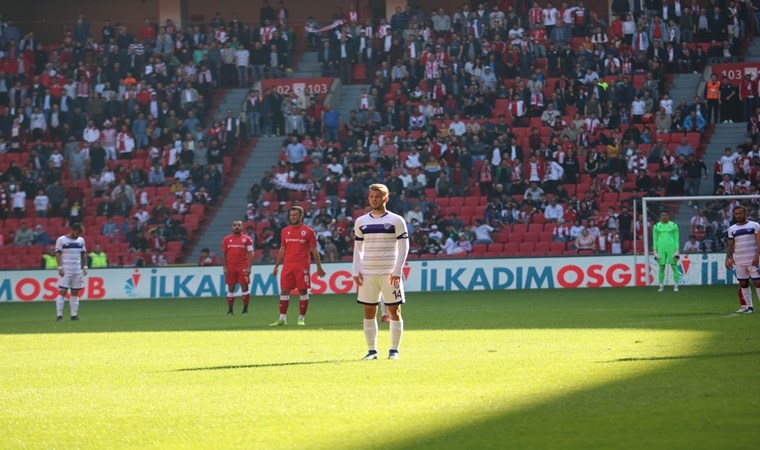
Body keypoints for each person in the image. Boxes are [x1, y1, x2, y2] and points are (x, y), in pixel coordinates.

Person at [352, 184, 409, 360]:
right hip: (368, 272)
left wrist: (398, 269)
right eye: (371, 196)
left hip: (389, 272)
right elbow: (358, 247)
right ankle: (372, 351)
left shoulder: (396, 220)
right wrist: (356, 269)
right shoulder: (361, 221)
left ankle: (394, 350)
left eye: (377, 196)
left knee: (394, 311)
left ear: (386, 198)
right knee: (369, 312)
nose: (374, 199)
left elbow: (404, 246)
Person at [270, 206, 326, 326]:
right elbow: (282, 249)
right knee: (284, 290)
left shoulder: (309, 231)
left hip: (302, 266)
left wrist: (319, 267)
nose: (292, 217)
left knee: (302, 290)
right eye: (291, 215)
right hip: (287, 266)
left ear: (301, 216)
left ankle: (301, 318)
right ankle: (282, 319)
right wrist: (276, 266)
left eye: (295, 215)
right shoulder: (285, 231)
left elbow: (314, 250)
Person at [725, 206, 760, 314]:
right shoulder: (732, 229)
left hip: (753, 259)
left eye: (740, 213)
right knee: (743, 283)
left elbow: (759, 242)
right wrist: (728, 258)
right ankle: (749, 307)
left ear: (745, 213)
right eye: (736, 214)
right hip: (739, 260)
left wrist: (757, 255)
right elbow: (730, 245)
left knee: (758, 283)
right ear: (734, 215)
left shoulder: (755, 226)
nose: (738, 215)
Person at [55, 223, 88, 321]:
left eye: (79, 233)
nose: (78, 235)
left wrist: (85, 266)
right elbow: (57, 254)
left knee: (75, 292)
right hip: (66, 270)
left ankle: (74, 315)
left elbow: (83, 254)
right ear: (72, 230)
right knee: (62, 291)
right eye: (77, 233)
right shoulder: (61, 240)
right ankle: (59, 315)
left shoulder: (81, 240)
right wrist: (60, 267)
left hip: (77, 270)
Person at [221, 221, 255, 315]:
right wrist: (225, 267)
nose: (236, 227)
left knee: (244, 288)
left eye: (239, 225)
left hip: (243, 267)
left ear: (242, 227)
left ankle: (245, 309)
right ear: (232, 227)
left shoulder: (247, 239)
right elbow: (223, 254)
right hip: (231, 267)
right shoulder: (226, 239)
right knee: (231, 288)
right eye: (235, 225)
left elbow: (251, 253)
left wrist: (249, 267)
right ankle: (230, 310)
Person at [653, 210, 680, 292]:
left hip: (671, 248)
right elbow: (655, 240)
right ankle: (661, 286)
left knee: (674, 266)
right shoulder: (656, 226)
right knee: (661, 267)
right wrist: (655, 251)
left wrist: (677, 250)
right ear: (660, 216)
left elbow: (676, 239)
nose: (664, 216)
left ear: (668, 216)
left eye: (666, 215)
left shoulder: (674, 225)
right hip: (661, 249)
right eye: (662, 215)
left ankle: (676, 286)